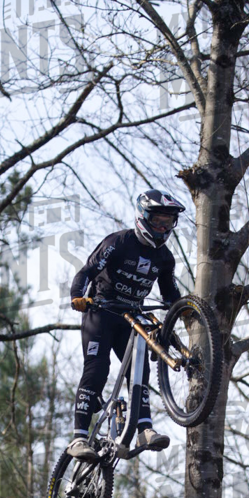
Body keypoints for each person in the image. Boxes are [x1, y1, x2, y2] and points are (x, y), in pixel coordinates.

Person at [68, 189, 186, 462]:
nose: (162, 227)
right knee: (98, 369)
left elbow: (171, 295)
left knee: (139, 370)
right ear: (142, 217)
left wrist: (186, 313)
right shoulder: (118, 242)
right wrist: (77, 296)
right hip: (101, 312)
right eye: (157, 221)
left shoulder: (165, 258)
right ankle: (78, 438)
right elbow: (86, 271)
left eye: (168, 222)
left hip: (131, 319)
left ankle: (144, 430)